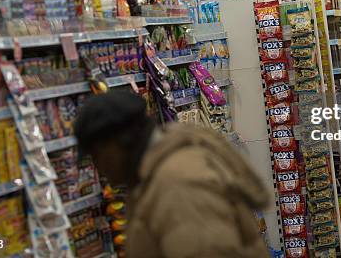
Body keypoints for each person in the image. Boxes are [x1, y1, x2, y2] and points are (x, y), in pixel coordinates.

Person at [74, 91, 270, 257]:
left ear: (119, 143)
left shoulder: (178, 184)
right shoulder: (155, 177)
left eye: (96, 154)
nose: (98, 167)